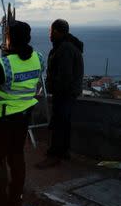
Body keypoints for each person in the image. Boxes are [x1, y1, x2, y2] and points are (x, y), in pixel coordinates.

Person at [0, 20, 44, 206]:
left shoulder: (2, 64)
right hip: (24, 117)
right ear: (28, 38)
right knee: (16, 157)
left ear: (8, 39)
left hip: (4, 119)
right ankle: (15, 201)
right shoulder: (39, 58)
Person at [35, 19, 84, 169]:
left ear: (57, 31)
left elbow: (64, 76)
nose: (49, 35)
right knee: (64, 123)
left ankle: (54, 155)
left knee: (58, 123)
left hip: (64, 94)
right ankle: (63, 152)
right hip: (68, 93)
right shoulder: (67, 47)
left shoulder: (65, 49)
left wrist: (53, 87)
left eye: (51, 31)